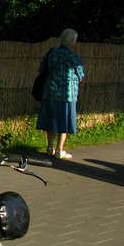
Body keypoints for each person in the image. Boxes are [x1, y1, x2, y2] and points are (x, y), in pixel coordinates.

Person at [36, 28, 85, 159]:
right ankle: (59, 150)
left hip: (50, 91)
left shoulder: (51, 53)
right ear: (73, 41)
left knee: (50, 119)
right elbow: (80, 75)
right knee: (65, 121)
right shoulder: (74, 57)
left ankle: (49, 147)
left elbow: (41, 69)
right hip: (67, 94)